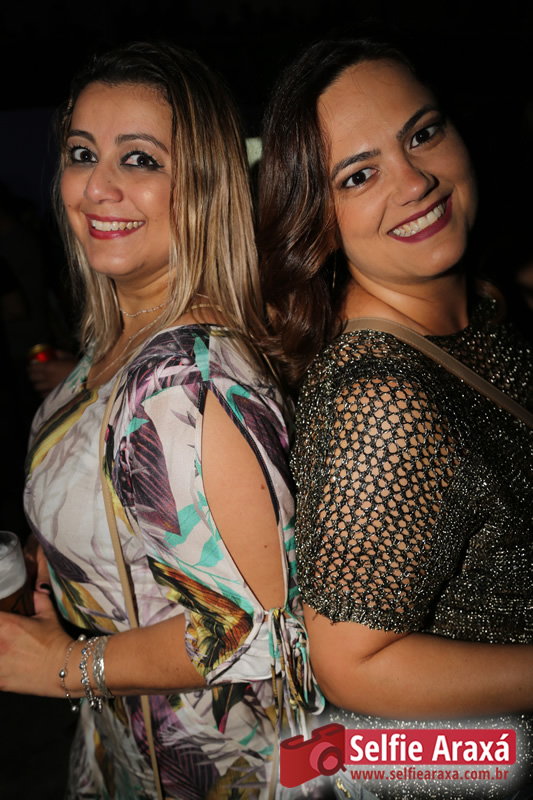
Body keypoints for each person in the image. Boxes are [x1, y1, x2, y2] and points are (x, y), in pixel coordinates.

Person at [0, 41, 318, 800]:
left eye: (138, 159)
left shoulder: (181, 384)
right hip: (129, 744)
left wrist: (62, 667)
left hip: (213, 772)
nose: (96, 187)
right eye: (82, 153)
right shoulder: (122, 339)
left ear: (204, 186)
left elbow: (260, 634)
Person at [258, 38, 533, 799]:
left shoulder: (477, 302)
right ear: (317, 219)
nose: (414, 181)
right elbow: (351, 663)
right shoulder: (381, 401)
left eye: (422, 133)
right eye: (358, 174)